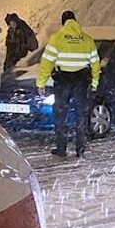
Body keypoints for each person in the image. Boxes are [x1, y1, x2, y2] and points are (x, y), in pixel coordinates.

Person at [36, 11, 100, 158]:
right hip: (81, 81)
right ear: (75, 21)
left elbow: (46, 62)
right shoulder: (87, 40)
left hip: (63, 81)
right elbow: (95, 64)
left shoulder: (57, 38)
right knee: (81, 115)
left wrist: (41, 83)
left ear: (63, 22)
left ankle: (61, 148)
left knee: (60, 114)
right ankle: (80, 148)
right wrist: (95, 82)